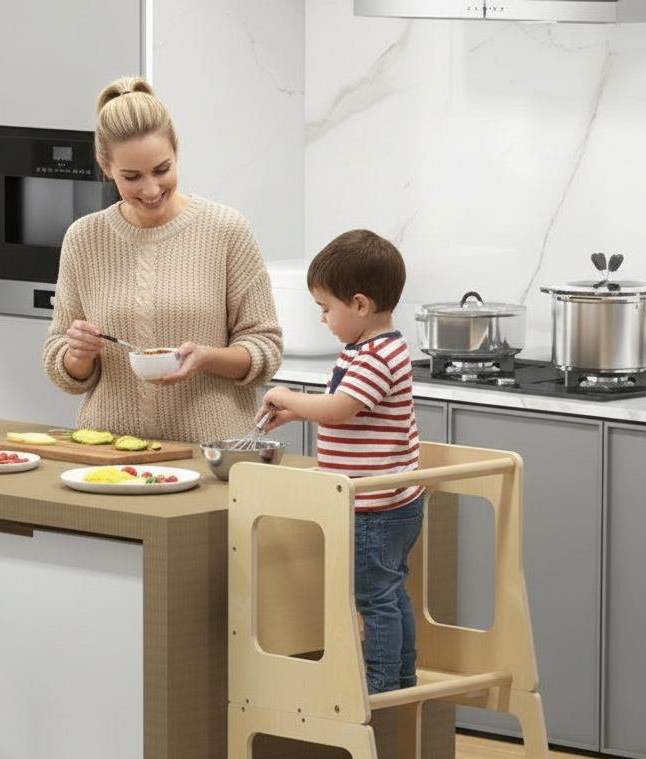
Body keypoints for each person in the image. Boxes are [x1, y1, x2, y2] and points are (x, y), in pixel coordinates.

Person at [43, 77, 283, 445]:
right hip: (110, 456)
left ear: (176, 152)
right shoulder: (84, 238)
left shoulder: (226, 230)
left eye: (161, 170)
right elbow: (64, 369)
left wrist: (205, 358)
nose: (151, 189)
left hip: (211, 455)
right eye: (132, 177)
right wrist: (78, 353)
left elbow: (265, 350)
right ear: (106, 167)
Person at [257, 229, 423, 694]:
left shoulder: (375, 355)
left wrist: (288, 394)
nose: (324, 319)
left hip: (372, 506)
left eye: (326, 309)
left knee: (373, 597)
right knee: (390, 593)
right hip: (389, 501)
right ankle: (399, 675)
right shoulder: (370, 349)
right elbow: (346, 409)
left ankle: (380, 682)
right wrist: (294, 411)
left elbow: (338, 409)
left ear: (360, 305)